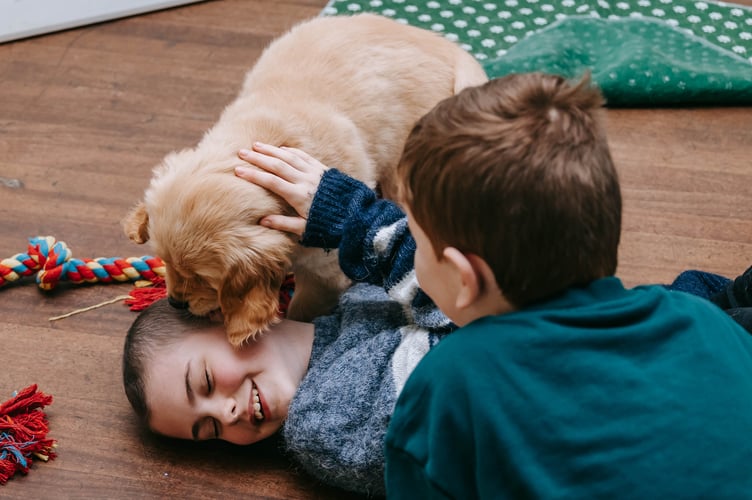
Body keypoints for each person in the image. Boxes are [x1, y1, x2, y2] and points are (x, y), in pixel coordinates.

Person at [123, 73, 752, 497]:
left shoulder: (457, 378)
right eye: (209, 430)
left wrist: (358, 223)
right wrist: (359, 226)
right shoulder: (687, 320)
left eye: (412, 239)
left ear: (467, 279)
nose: (225, 412)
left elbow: (460, 343)